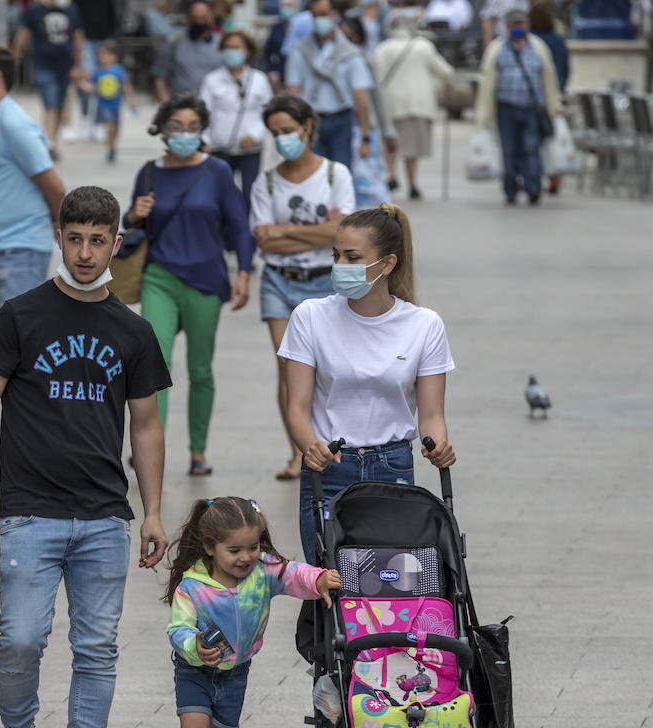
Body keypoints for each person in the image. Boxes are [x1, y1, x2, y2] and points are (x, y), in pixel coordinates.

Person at [0, 186, 171, 728]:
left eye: (98, 240)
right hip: (28, 510)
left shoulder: (132, 331)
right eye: (75, 238)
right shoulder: (21, 316)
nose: (85, 252)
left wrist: (153, 509)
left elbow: (147, 425)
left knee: (97, 648)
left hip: (105, 515)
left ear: (116, 242)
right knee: (20, 639)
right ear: (60, 236)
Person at [277, 204, 455, 563]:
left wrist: (439, 446)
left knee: (391, 583)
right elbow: (296, 405)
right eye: (336, 255)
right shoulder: (310, 317)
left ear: (387, 264)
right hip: (329, 465)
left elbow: (432, 414)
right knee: (329, 582)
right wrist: (310, 446)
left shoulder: (424, 325)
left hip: (393, 467)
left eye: (352, 257)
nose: (339, 266)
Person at [163, 497, 340, 728]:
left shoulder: (263, 572)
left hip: (236, 672)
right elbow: (178, 629)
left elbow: (294, 574)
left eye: (253, 546)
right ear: (210, 548)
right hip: (195, 670)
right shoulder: (192, 585)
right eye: (234, 550)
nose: (246, 557)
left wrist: (319, 580)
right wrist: (194, 646)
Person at [126, 95, 253, 477]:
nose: (184, 134)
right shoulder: (148, 172)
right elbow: (132, 223)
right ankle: (152, 447)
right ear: (163, 130)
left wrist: (243, 272)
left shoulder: (216, 172)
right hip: (158, 276)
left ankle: (198, 451)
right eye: (176, 127)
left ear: (202, 132)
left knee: (200, 369)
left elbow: (239, 224)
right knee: (154, 363)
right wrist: (134, 213)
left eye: (192, 127)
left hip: (205, 278)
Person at [250, 94, 355, 482]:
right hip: (279, 281)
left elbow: (340, 233)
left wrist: (285, 230)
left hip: (323, 282)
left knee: (326, 367)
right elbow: (264, 241)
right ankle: (298, 451)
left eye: (289, 131)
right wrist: (314, 234)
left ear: (308, 128)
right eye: (275, 134)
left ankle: (329, 441)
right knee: (288, 367)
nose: (283, 139)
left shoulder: (334, 175)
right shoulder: (265, 181)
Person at [0, 45, 68, 324]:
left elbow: (54, 186)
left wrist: (57, 221)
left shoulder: (14, 124)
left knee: (18, 339)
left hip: (20, 248)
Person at [474, 9, 560, 205]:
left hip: (532, 107)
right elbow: (487, 82)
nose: (518, 28)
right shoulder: (497, 49)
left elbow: (549, 78)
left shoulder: (538, 47)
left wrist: (555, 105)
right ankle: (510, 189)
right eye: (514, 25)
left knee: (531, 148)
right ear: (507, 27)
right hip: (506, 107)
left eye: (521, 24)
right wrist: (482, 114)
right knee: (509, 150)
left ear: (526, 25)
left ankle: (533, 187)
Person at [284, 0, 376, 168]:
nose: (320, 20)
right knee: (312, 175)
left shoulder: (350, 53)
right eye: (316, 15)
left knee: (341, 174)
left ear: (334, 15)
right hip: (310, 120)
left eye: (324, 14)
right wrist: (294, 127)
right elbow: (293, 91)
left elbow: (360, 97)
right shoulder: (300, 50)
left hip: (341, 120)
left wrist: (365, 136)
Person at [375, 14, 454, 199]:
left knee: (390, 142)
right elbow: (446, 71)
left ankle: (391, 175)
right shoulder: (423, 47)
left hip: (391, 103)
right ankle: (412, 183)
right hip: (419, 102)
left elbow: (377, 78)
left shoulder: (382, 49)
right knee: (412, 147)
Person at [199, 28, 274, 199]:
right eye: (228, 47)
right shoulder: (211, 80)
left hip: (250, 149)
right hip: (219, 149)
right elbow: (203, 115)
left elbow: (269, 115)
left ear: (247, 51)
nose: (232, 52)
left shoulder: (260, 80)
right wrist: (206, 140)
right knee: (218, 194)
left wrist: (255, 136)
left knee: (251, 193)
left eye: (237, 47)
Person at [14, 0, 86, 157]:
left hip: (65, 65)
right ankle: (49, 142)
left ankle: (52, 139)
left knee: (59, 105)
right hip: (43, 64)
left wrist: (78, 65)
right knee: (50, 103)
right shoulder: (35, 10)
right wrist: (16, 57)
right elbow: (23, 33)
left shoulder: (71, 9)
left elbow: (78, 37)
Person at [339, 18, 396, 208]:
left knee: (370, 181)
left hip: (365, 130)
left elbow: (378, 97)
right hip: (342, 128)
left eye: (348, 36)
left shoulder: (364, 59)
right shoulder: (332, 58)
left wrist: (388, 130)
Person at [529, 0, 569, 195]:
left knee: (532, 139)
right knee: (551, 137)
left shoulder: (529, 41)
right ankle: (553, 177)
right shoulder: (557, 39)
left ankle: (532, 176)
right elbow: (566, 68)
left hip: (533, 98)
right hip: (553, 95)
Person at [78, 42, 137, 162]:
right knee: (108, 124)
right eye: (100, 55)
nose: (102, 58)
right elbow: (89, 84)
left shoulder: (118, 70)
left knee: (116, 126)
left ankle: (112, 144)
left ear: (114, 57)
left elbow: (125, 86)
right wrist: (83, 85)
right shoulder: (97, 71)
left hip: (116, 104)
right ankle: (109, 147)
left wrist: (131, 99)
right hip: (103, 105)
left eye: (106, 55)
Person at [154, 1, 224, 100]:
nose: (199, 22)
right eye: (195, 17)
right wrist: (166, 105)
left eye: (203, 17)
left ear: (211, 17)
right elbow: (160, 77)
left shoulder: (222, 43)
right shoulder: (173, 42)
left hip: (215, 106)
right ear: (188, 17)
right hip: (182, 106)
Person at [75, 0, 122, 132]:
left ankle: (98, 122)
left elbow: (113, 14)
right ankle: (85, 117)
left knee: (105, 80)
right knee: (88, 78)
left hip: (105, 39)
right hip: (86, 40)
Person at [263, 0, 302, 92]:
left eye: (290, 6)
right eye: (285, 6)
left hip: (301, 74)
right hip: (280, 75)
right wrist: (272, 70)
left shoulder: (303, 27)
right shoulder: (277, 27)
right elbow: (267, 51)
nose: (287, 9)